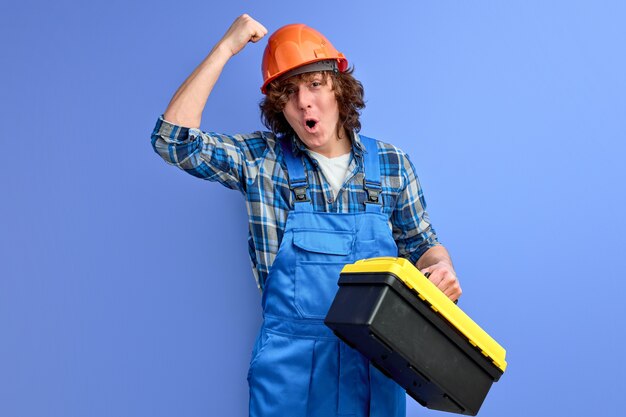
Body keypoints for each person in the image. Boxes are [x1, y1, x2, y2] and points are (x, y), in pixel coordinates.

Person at [151, 13, 461, 417]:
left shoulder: (391, 164)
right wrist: (226, 47)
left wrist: (441, 268)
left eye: (315, 84)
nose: (303, 103)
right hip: (289, 376)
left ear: (339, 88)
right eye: (288, 93)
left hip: (374, 366)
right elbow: (172, 141)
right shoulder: (261, 161)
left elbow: (421, 243)